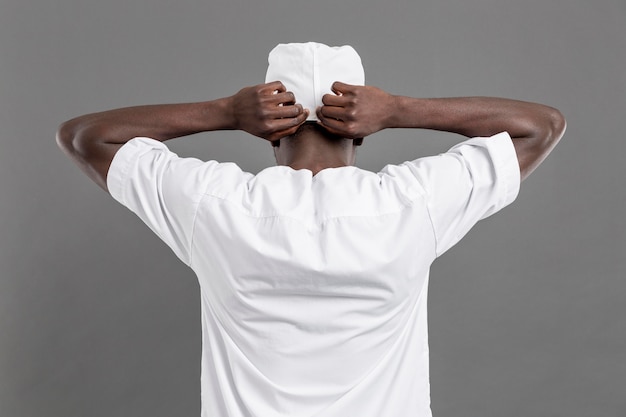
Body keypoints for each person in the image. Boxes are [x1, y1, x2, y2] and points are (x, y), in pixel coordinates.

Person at [56, 42, 566, 417]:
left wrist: (224, 113)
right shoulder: (412, 203)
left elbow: (85, 138)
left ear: (269, 132)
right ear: (360, 135)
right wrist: (400, 111)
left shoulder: (214, 204)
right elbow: (539, 126)